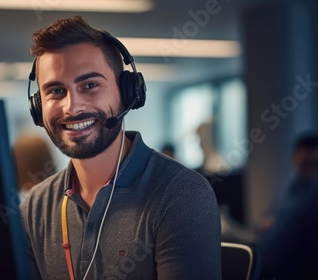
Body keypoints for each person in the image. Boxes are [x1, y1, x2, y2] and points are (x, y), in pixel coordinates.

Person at [20, 15, 221, 280]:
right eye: (56, 91)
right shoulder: (36, 205)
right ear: (38, 107)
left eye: (90, 85)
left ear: (128, 93)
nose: (72, 107)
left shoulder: (180, 194)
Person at [257, 133, 318, 279]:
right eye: (305, 163)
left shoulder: (313, 195)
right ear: (295, 158)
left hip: (293, 268)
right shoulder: (290, 185)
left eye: (314, 164)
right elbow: (265, 219)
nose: (309, 169)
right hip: (266, 258)